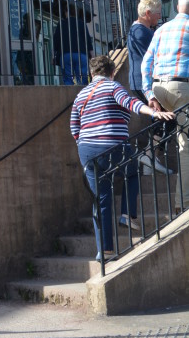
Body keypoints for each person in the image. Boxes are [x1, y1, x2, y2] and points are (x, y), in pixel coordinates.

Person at [71, 54, 174, 260]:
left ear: (92, 74)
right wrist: (153, 113)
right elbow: (131, 103)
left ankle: (105, 250)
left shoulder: (81, 94)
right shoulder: (113, 87)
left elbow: (74, 125)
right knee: (133, 171)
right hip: (112, 144)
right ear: (111, 73)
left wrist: (86, 144)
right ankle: (128, 215)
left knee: (101, 199)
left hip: (87, 150)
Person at [141, 0, 189, 213]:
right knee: (185, 147)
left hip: (160, 88)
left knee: (180, 133)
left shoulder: (161, 30)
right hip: (182, 87)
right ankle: (183, 203)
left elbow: (145, 64)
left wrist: (149, 94)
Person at [127, 0, 167, 172]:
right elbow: (153, 59)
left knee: (161, 117)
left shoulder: (140, 30)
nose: (159, 17)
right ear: (148, 13)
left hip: (142, 81)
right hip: (146, 82)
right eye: (158, 13)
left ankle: (150, 162)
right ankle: (149, 155)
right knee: (165, 116)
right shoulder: (141, 32)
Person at [53, 8, 92, 85]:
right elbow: (88, 41)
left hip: (66, 54)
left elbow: (55, 42)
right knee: (82, 79)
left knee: (68, 78)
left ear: (66, 12)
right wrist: (93, 57)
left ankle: (70, 95)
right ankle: (83, 94)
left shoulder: (61, 24)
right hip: (81, 54)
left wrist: (53, 56)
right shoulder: (81, 23)